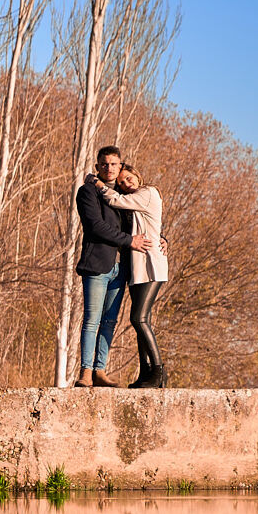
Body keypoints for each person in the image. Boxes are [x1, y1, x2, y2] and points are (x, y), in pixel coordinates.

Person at [73, 146, 154, 389]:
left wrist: (162, 239)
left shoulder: (123, 193)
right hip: (97, 265)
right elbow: (95, 226)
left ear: (120, 166)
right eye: (104, 164)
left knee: (109, 322)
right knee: (92, 320)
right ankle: (86, 372)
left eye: (114, 164)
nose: (109, 168)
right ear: (97, 166)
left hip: (121, 268)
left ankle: (100, 370)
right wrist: (129, 241)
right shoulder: (88, 192)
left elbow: (142, 220)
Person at [90, 163, 169, 388]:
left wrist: (97, 183)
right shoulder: (134, 200)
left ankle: (159, 371)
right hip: (137, 267)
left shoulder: (148, 192)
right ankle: (145, 373)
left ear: (137, 174)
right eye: (122, 182)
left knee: (138, 318)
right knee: (143, 320)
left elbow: (116, 200)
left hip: (151, 265)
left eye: (128, 178)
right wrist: (163, 236)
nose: (126, 183)